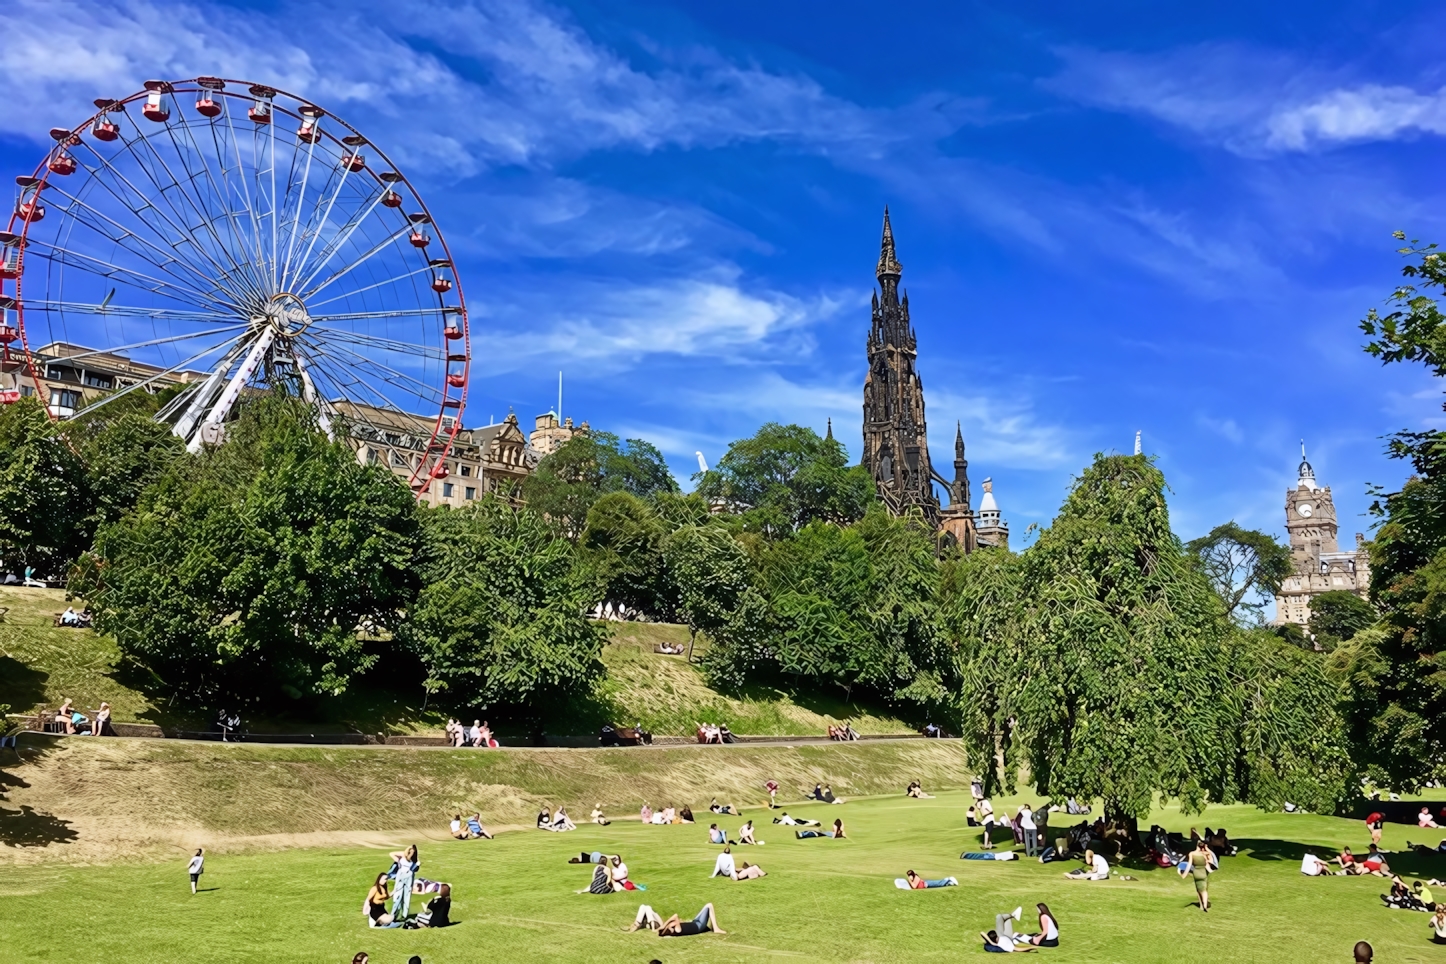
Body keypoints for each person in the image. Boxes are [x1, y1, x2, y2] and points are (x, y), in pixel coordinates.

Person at [1180, 839, 1212, 911]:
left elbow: (1189, 865)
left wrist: (1184, 874)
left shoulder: (1192, 854)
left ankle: (1201, 905)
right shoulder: (1205, 854)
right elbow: (1209, 861)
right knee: (1204, 890)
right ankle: (1205, 905)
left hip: (1196, 872)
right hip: (1203, 872)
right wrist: (1207, 849)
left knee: (1198, 889)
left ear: (1197, 845)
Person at [659, 903, 725, 937]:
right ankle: (715, 928)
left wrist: (663, 927)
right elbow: (675, 916)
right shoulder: (677, 930)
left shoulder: (673, 929)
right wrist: (664, 925)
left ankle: (713, 927)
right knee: (709, 905)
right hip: (699, 926)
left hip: (695, 921)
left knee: (708, 905)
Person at [389, 845, 418, 921]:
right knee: (398, 895)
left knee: (406, 896)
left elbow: (416, 868)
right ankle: (394, 915)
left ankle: (404, 916)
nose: (411, 852)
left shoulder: (414, 860)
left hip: (409, 878)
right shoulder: (402, 857)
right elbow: (391, 854)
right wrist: (403, 853)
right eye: (410, 850)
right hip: (401, 877)